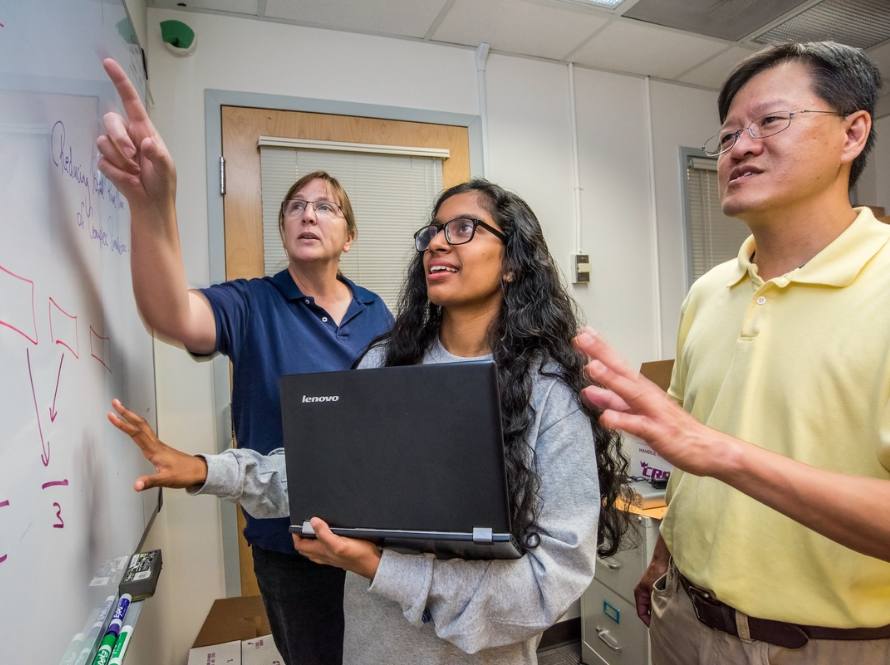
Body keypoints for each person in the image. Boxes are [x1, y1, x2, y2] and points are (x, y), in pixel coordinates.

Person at [108, 179, 632, 664]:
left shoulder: (550, 393)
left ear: (514, 261)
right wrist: (207, 471)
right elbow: (326, 477)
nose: (437, 243)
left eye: (463, 229)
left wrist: (381, 568)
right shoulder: (388, 362)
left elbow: (549, 582)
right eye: (433, 230)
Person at [574, 41, 890, 665]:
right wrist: (664, 563)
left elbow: (705, 448)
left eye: (770, 122)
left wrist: (718, 451)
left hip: (827, 646)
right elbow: (689, 458)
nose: (739, 148)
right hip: (682, 617)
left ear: (853, 133)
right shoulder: (710, 291)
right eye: (727, 136)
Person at [96, 59, 393, 665]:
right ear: (283, 228)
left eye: (326, 207)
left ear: (350, 235)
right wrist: (154, 209)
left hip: (373, 534)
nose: (309, 214)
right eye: (296, 207)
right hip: (289, 542)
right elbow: (171, 314)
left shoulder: (377, 311)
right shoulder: (253, 302)